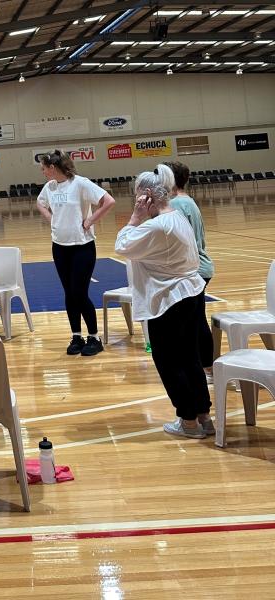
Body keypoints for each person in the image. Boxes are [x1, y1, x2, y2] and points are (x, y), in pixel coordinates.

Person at [115, 164, 212, 439]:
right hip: (189, 294)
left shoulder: (158, 226)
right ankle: (203, 416)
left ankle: (188, 421)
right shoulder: (177, 216)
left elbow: (122, 244)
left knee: (170, 361)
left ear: (146, 195)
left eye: (137, 196)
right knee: (190, 357)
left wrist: (134, 217)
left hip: (169, 299)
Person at [36, 150, 116, 356]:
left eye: (44, 168)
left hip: (82, 247)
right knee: (69, 294)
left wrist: (89, 221)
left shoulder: (80, 183)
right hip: (59, 247)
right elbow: (40, 202)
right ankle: (76, 336)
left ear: (53, 167)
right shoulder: (49, 187)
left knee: (80, 293)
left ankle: (94, 337)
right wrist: (51, 219)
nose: (42, 171)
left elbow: (108, 201)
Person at [165, 161, 215, 381]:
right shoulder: (187, 201)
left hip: (194, 268)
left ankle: (206, 367)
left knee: (195, 321)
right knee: (196, 319)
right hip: (198, 266)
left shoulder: (176, 204)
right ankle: (204, 366)